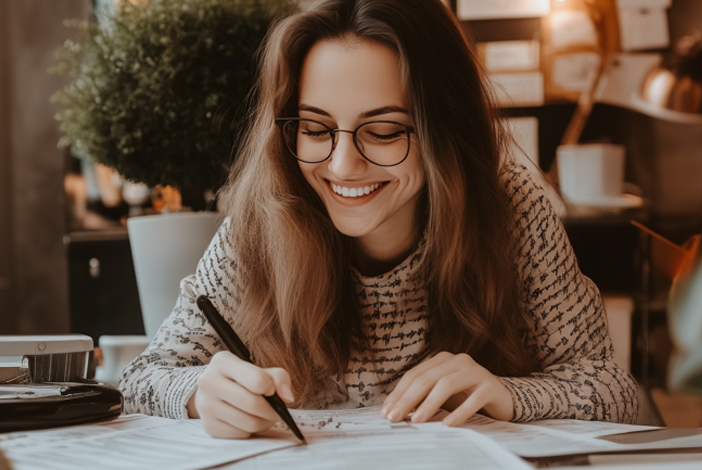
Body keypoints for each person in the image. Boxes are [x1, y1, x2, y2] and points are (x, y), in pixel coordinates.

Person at [120, 0, 639, 439]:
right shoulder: (264, 220)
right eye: (316, 128)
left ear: (446, 133)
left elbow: (614, 392)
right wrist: (198, 394)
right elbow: (141, 379)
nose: (343, 166)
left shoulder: (510, 209)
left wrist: (509, 393)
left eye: (385, 132)